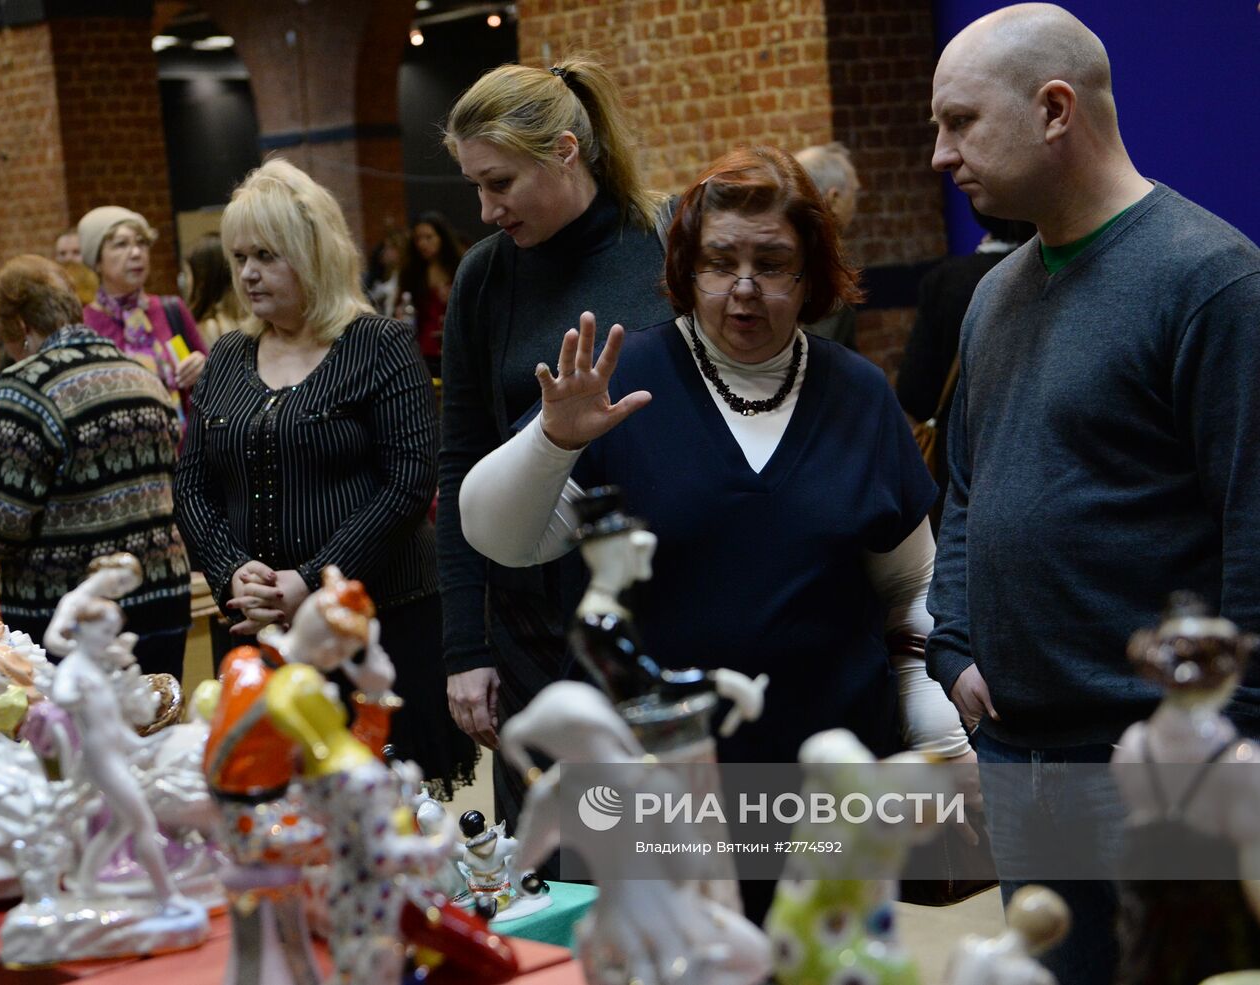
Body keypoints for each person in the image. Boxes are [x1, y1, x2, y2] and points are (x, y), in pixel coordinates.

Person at [459, 146, 971, 921]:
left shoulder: (860, 396)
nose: (744, 287)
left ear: (811, 272)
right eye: (719, 262)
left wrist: (941, 740)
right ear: (685, 269)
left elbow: (910, 588)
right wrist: (552, 440)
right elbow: (497, 536)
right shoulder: (620, 384)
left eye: (773, 263)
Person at [924, 5, 1260, 984]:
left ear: (1054, 110)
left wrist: (1231, 737)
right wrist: (954, 642)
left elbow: (1253, 524)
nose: (940, 155)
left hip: (1153, 765)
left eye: (959, 122)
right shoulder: (992, 294)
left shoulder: (1211, 280)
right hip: (1018, 754)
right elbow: (967, 486)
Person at [173, 158, 475, 797]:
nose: (248, 273)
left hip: (374, 625)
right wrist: (231, 572)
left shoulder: (378, 344)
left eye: (266, 255)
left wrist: (311, 581)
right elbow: (193, 485)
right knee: (275, 810)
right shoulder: (227, 354)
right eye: (239, 257)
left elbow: (407, 483)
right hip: (259, 628)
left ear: (313, 255)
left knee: (383, 814)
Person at [438, 56, 674, 832]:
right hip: (529, 619)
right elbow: (461, 458)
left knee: (658, 848)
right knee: (552, 857)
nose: (485, 209)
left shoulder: (665, 242)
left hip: (660, 600)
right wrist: (465, 647)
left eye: (499, 183)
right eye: (475, 186)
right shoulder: (483, 278)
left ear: (566, 152)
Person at [0, 255, 192, 678]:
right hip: (163, 597)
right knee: (159, 716)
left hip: (70, 619)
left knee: (73, 723)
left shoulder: (26, 387)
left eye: (6, 338)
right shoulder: (143, 377)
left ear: (22, 326)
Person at [896, 206, 1033, 528]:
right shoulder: (1052, 273)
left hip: (961, 465)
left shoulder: (947, 281)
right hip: (1038, 461)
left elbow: (914, 391)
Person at [77, 205, 208, 437]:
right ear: (96, 261)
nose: (136, 253)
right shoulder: (84, 324)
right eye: (121, 244)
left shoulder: (171, 309)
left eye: (142, 243)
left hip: (186, 449)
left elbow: (214, 377)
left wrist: (203, 367)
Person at [793, 142, 860, 351]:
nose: (855, 204)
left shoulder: (789, 249)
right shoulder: (824, 259)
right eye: (854, 194)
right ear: (834, 199)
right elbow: (821, 347)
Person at [393, 212, 464, 376]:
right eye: (418, 238)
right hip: (422, 349)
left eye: (429, 237)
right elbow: (401, 306)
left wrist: (454, 298)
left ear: (441, 238)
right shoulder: (411, 272)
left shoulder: (458, 267)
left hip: (455, 346)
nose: (423, 244)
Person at [182, 232, 248, 349]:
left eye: (187, 274)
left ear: (202, 279)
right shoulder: (245, 320)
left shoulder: (211, 327)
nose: (186, 281)